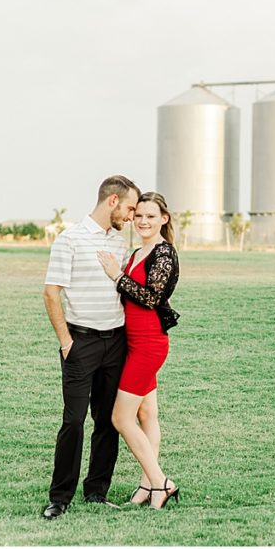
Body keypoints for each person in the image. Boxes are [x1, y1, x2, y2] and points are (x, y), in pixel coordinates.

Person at [41, 175, 140, 520]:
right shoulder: (70, 239)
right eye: (129, 208)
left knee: (108, 421)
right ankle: (60, 496)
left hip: (116, 342)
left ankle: (97, 491)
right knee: (74, 420)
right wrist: (66, 342)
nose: (132, 216)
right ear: (112, 201)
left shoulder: (120, 244)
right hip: (80, 342)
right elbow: (51, 292)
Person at [96, 191, 181, 509]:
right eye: (140, 215)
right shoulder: (137, 252)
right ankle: (147, 486)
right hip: (130, 343)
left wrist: (116, 275)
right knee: (147, 414)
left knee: (121, 418)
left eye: (151, 216)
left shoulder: (164, 253)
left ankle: (161, 483)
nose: (144, 221)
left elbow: (150, 297)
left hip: (149, 345)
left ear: (164, 218)